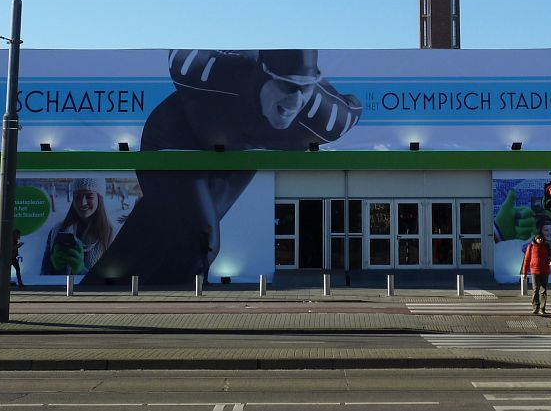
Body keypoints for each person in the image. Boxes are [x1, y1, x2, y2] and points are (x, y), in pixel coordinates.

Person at [87, 49, 362, 284]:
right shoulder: (209, 71)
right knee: (201, 239)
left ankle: (99, 286)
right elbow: (179, 53)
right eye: (287, 86)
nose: (295, 102)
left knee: (157, 228)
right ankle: (181, 304)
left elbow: (355, 107)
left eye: (305, 88)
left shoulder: (328, 119)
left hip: (237, 154)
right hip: (175, 137)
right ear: (262, 74)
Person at [41, 178, 115, 277]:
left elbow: (110, 281)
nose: (82, 203)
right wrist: (54, 268)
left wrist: (81, 271)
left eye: (89, 196)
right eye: (77, 196)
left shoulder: (110, 235)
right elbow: (43, 274)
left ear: (99, 198)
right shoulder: (57, 231)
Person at [521, 232, 551, 315]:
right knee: (535, 289)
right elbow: (526, 260)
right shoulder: (531, 247)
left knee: (543, 291)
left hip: (544, 271)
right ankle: (535, 308)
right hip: (534, 271)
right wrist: (524, 273)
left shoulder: (546, 246)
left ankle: (542, 308)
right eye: (538, 238)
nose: (540, 239)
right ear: (535, 239)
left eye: (541, 238)